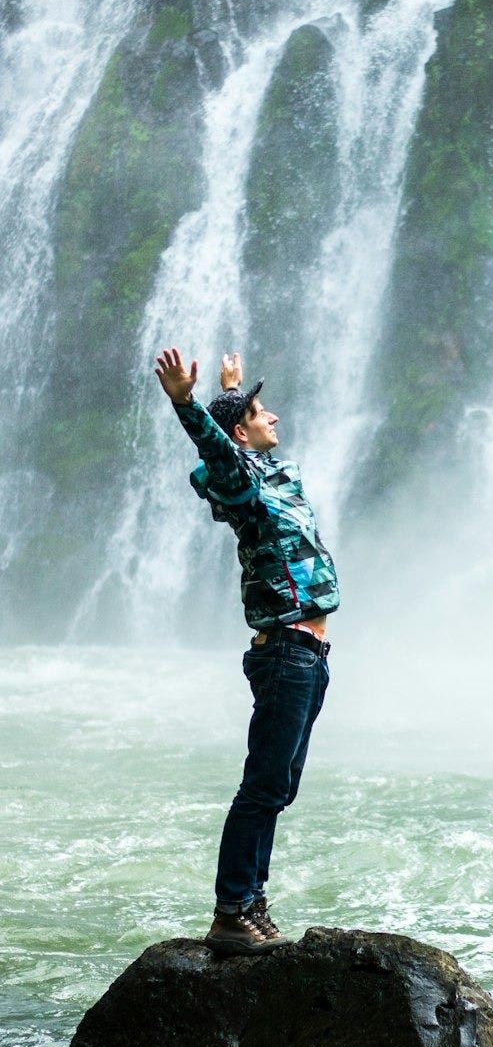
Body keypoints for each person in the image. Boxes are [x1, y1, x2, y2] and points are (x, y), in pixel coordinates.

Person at [154, 346, 340, 955]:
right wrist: (188, 403)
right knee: (262, 787)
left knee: (278, 788)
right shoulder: (243, 486)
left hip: (309, 656)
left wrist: (234, 392)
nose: (276, 417)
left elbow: (239, 445)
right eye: (263, 413)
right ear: (240, 433)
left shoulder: (275, 475)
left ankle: (251, 901)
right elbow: (217, 456)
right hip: (285, 652)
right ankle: (232, 909)